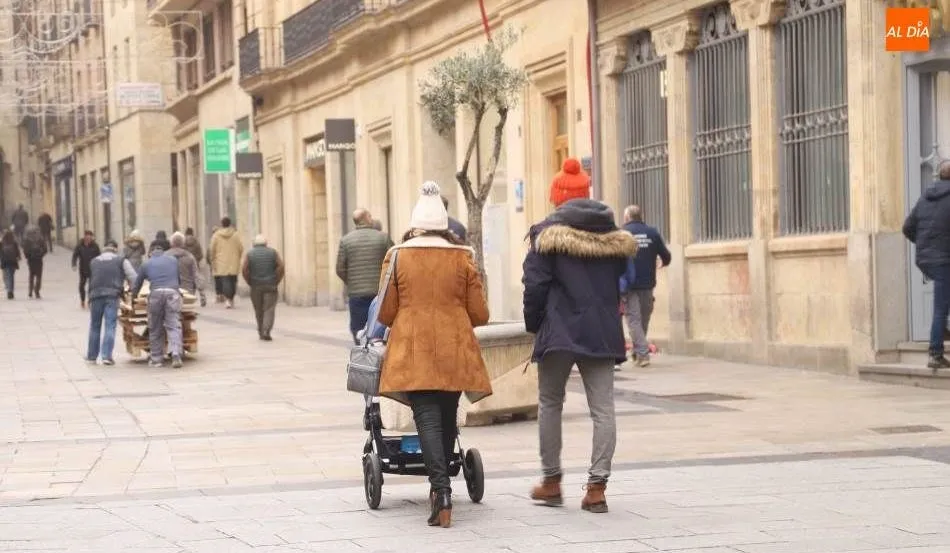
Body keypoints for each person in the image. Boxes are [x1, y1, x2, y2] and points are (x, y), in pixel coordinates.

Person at [376, 181, 492, 528]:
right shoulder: (463, 258)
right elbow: (481, 314)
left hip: (413, 349)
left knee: (425, 417)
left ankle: (440, 493)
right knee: (445, 414)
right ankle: (442, 491)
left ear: (415, 222)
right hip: (455, 347)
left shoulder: (398, 256)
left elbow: (385, 312)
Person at [522, 197, 638, 514]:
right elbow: (624, 282)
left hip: (559, 330)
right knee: (603, 408)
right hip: (601, 330)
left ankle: (551, 483)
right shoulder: (613, 242)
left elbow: (534, 285)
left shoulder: (548, 238)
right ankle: (597, 489)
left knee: (549, 403)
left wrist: (535, 325)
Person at [903, 160, 950, 370]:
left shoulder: (925, 197)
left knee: (944, 298)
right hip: (942, 259)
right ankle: (935, 353)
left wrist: (923, 245)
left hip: (926, 258)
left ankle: (942, 330)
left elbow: (907, 227)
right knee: (940, 307)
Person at [621, 205, 672, 368]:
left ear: (627, 217)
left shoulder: (622, 234)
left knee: (634, 319)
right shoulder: (652, 233)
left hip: (629, 283)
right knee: (643, 317)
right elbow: (666, 256)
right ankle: (639, 350)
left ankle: (641, 353)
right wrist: (663, 263)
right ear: (640, 216)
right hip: (648, 282)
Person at [336, 208, 393, 344]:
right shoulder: (383, 237)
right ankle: (377, 351)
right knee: (380, 326)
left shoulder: (345, 240)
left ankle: (362, 354)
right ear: (367, 218)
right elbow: (393, 261)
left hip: (357, 294)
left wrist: (351, 282)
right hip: (379, 292)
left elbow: (340, 268)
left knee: (358, 326)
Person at [86, 240, 137, 365]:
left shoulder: (94, 261)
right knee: (110, 325)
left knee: (95, 325)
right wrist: (133, 292)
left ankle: (92, 356)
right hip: (112, 295)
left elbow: (91, 279)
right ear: (116, 249)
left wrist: (88, 297)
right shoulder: (121, 260)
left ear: (104, 249)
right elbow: (133, 277)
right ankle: (106, 356)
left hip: (95, 295)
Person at [131, 245, 183, 368]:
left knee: (155, 327)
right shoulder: (173, 260)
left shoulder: (146, 264)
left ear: (150, 253)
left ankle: (156, 359)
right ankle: (175, 354)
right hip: (172, 293)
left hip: (155, 295)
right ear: (163, 252)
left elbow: (137, 284)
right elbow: (178, 279)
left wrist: (133, 297)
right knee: (173, 326)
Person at [241, 234, 285, 341]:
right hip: (271, 285)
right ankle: (266, 330)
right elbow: (281, 266)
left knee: (258, 310)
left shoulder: (249, 254)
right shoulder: (273, 253)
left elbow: (244, 269)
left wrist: (249, 281)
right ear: (266, 243)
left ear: (254, 244)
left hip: (256, 286)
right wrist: (276, 280)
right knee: (269, 309)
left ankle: (261, 331)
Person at [208, 218, 244, 308]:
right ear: (230, 223)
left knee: (225, 280)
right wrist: (238, 256)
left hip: (221, 261)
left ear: (222, 224)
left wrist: (213, 259)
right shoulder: (235, 235)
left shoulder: (216, 235)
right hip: (234, 261)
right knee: (233, 280)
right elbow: (240, 248)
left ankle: (228, 299)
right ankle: (231, 298)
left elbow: (212, 249)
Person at [72, 230, 101, 309]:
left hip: (93, 269)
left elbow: (99, 256)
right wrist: (74, 264)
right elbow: (75, 255)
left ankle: (90, 301)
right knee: (81, 285)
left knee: (91, 286)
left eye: (90, 236)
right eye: (87, 236)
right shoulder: (80, 245)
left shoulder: (95, 246)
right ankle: (82, 300)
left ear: (92, 237)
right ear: (84, 236)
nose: (88, 237)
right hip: (83, 269)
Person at [21, 226, 47, 299]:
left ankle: (30, 290)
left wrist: (28, 256)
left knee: (31, 275)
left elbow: (25, 250)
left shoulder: (27, 240)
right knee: (39, 276)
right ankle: (37, 291)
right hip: (39, 260)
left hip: (31, 260)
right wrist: (41, 255)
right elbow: (45, 249)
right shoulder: (40, 239)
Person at [184, 227, 207, 306]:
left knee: (187, 281)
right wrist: (196, 259)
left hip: (185, 264)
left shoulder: (183, 243)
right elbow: (200, 255)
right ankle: (202, 295)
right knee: (197, 280)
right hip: (195, 263)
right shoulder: (196, 242)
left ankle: (191, 296)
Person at [0, 230, 21, 299]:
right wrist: (19, 257)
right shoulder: (14, 242)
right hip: (12, 261)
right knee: (11, 276)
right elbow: (17, 251)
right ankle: (10, 290)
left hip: (4, 261)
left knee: (6, 275)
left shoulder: (2, 242)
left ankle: (8, 288)